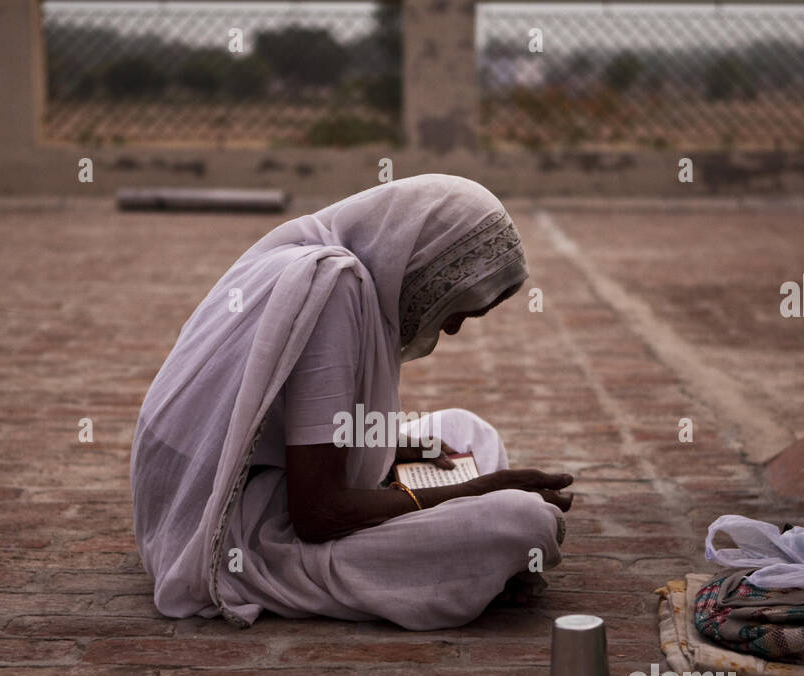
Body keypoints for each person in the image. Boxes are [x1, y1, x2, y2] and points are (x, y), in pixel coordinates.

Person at [131, 173, 574, 630]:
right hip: (227, 526)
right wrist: (472, 492)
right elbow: (319, 516)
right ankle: (472, 558)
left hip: (266, 476)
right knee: (523, 524)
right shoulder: (333, 287)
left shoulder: (328, 261)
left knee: (465, 430)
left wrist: (399, 450)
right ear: (426, 266)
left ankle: (470, 557)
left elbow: (282, 424)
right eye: (459, 305)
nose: (454, 326)